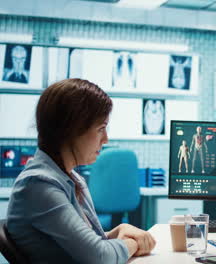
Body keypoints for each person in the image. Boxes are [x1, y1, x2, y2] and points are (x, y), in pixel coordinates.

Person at [6, 78, 156, 263]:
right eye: (101, 129)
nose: (106, 139)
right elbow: (99, 256)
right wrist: (132, 244)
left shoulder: (70, 178)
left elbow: (84, 245)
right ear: (71, 129)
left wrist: (117, 232)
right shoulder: (39, 185)